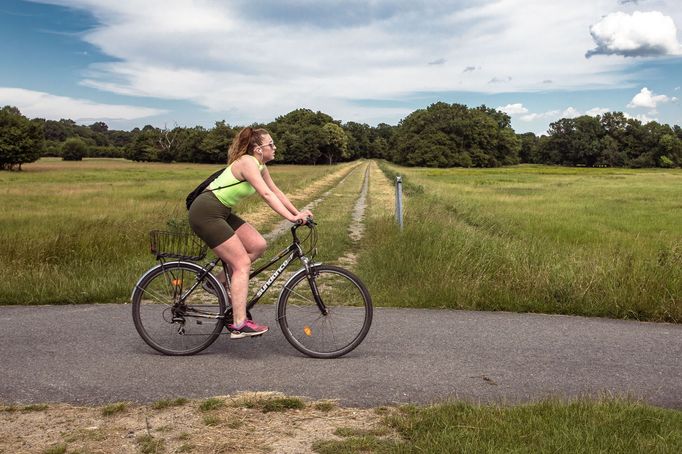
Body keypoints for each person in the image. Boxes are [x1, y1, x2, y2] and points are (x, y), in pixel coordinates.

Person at [188, 127, 312, 338]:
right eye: (270, 144)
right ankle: (239, 324)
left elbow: (275, 191)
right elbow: (265, 194)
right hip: (206, 211)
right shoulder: (247, 162)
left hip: (221, 211)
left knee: (257, 245)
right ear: (257, 149)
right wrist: (291, 218)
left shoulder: (260, 166)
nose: (275, 147)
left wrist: (297, 212)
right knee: (242, 263)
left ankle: (216, 282)